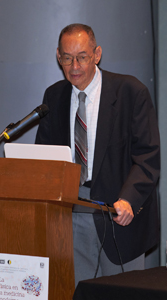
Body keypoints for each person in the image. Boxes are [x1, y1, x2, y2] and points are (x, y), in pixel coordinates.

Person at [35, 23, 160, 286]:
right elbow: (45, 157)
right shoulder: (54, 97)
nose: (75, 66)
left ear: (97, 54)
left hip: (119, 215)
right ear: (58, 57)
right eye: (67, 58)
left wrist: (129, 198)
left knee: (122, 292)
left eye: (82, 57)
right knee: (79, 291)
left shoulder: (130, 92)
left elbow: (147, 156)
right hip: (71, 215)